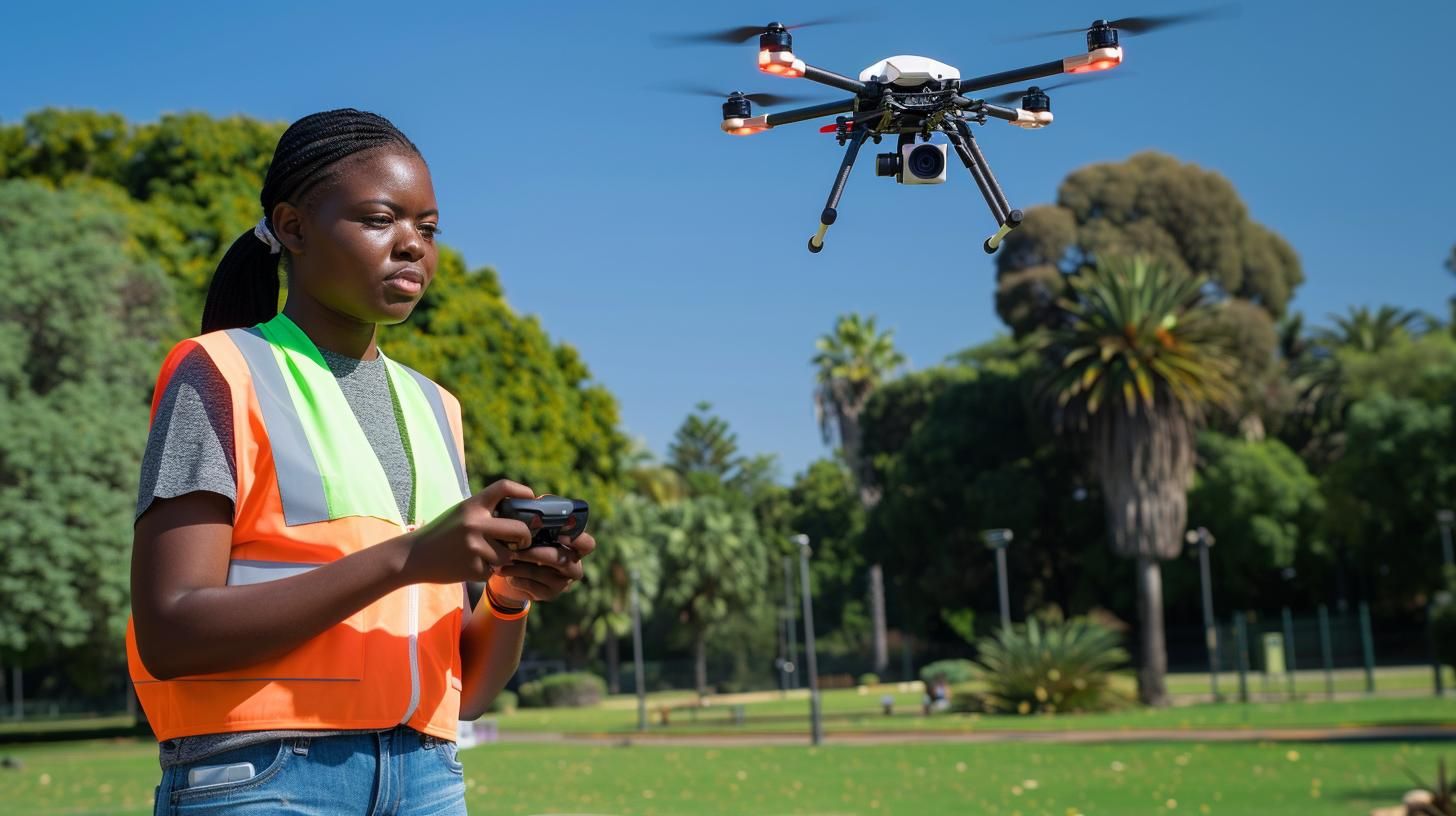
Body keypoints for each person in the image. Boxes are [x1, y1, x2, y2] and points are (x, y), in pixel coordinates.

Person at [126, 108, 595, 815]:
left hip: (428, 776)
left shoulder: (436, 407)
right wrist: (406, 558)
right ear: (292, 227)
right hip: (263, 777)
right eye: (381, 220)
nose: (413, 246)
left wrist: (509, 594)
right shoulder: (218, 371)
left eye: (428, 229)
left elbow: (463, 690)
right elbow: (169, 632)